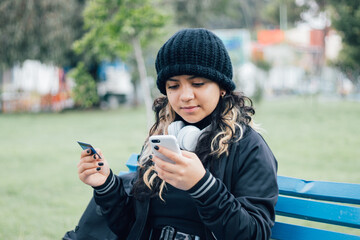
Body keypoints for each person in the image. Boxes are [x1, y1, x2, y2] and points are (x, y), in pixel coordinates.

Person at [77, 28, 278, 240]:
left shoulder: (249, 147)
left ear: (222, 87)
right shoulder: (162, 140)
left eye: (198, 83)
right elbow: (130, 228)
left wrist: (202, 186)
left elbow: (254, 234)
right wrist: (106, 186)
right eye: (173, 86)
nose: (185, 96)